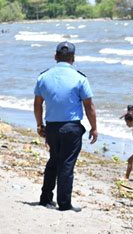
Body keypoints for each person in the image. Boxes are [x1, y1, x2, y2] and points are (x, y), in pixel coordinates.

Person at [34, 41, 98, 212]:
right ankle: (64, 203)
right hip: (71, 127)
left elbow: (38, 104)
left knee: (54, 161)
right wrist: (94, 127)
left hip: (51, 127)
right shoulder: (80, 78)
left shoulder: (43, 77)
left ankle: (45, 198)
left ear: (55, 56)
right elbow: (89, 106)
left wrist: (39, 124)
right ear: (73, 58)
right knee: (67, 164)